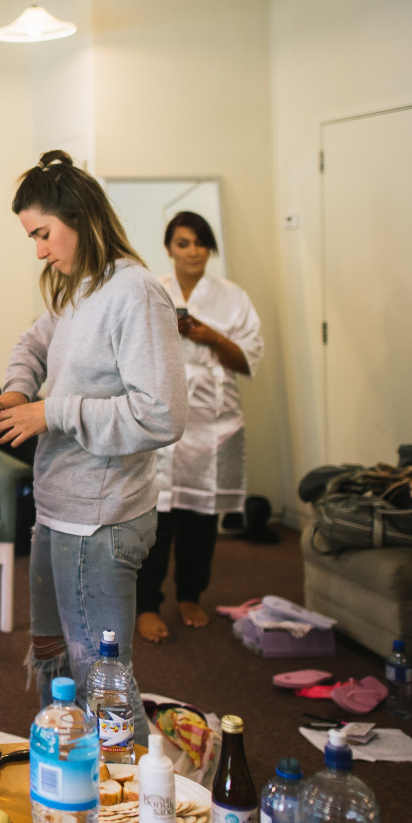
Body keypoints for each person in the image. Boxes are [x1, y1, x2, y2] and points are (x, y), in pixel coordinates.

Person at [0, 150, 186, 745]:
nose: (39, 251)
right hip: (61, 511)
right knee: (61, 677)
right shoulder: (82, 289)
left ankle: (134, 797)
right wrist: (18, 388)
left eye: (43, 234)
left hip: (100, 520)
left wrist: (52, 411)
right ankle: (69, 784)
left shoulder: (135, 293)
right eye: (32, 238)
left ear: (81, 217)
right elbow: (34, 341)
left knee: (104, 690)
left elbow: (162, 415)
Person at [135, 212, 264, 642]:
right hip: (164, 410)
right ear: (169, 248)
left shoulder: (233, 297)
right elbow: (129, 347)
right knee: (157, 514)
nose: (193, 252)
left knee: (201, 515)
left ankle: (190, 595)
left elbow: (248, 360)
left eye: (201, 243)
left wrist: (211, 337)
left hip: (213, 421)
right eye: (183, 243)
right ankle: (146, 603)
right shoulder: (151, 290)